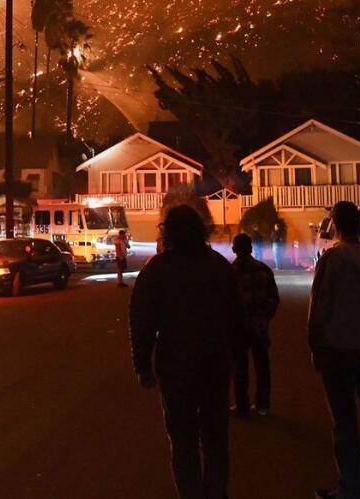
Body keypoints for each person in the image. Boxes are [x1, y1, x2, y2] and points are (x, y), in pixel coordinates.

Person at [130, 205, 240, 499]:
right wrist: (236, 361)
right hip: (215, 365)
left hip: (176, 366)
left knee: (183, 440)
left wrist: (142, 365)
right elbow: (236, 317)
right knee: (216, 437)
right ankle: (216, 492)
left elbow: (141, 321)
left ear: (168, 233)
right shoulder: (219, 266)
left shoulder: (157, 270)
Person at [308, 201, 360, 499]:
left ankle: (349, 487)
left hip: (336, 348)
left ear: (336, 225)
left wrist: (314, 344)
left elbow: (319, 307)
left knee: (344, 421)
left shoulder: (332, 260)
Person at [229, 233, 279, 417]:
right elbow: (273, 298)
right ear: (251, 248)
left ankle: (242, 405)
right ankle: (262, 405)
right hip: (259, 325)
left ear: (234, 249)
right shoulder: (263, 270)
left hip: (239, 327)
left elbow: (224, 302)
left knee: (240, 367)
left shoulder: (230, 272)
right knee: (262, 366)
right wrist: (264, 318)